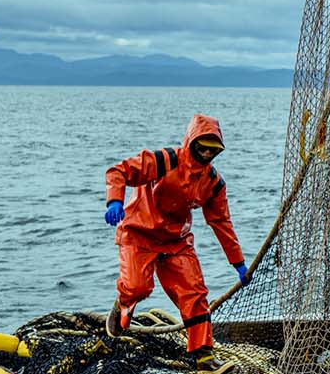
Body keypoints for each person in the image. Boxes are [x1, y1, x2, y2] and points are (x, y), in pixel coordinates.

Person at [102, 114, 248, 357]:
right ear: (191, 142)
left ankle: (204, 356)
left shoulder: (213, 183)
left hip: (176, 242)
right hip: (139, 233)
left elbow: (221, 222)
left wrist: (238, 263)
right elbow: (119, 171)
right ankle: (122, 304)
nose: (207, 154)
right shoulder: (165, 160)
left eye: (213, 150)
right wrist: (114, 201)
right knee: (138, 287)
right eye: (202, 147)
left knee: (194, 293)